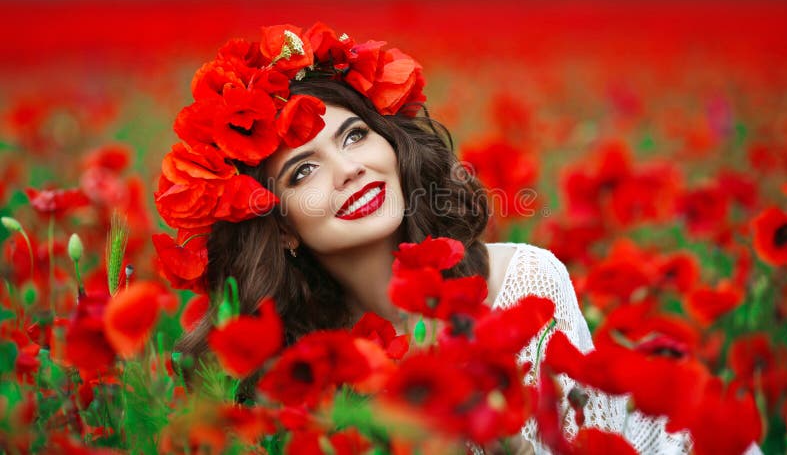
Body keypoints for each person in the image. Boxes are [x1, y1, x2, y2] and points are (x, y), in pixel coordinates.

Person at [156, 23, 702, 454]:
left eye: (354, 135)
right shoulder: (292, 371)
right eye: (303, 171)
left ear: (392, 144)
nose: (348, 170)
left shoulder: (523, 284)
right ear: (278, 226)